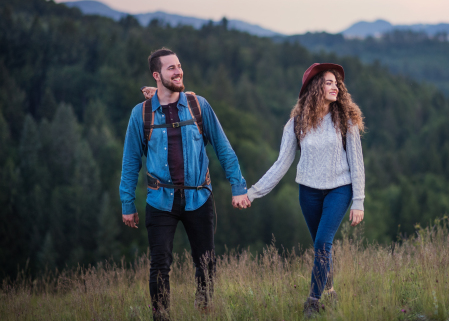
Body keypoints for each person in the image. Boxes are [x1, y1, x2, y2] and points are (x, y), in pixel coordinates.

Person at [119, 48, 251, 319]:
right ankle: (161, 315)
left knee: (206, 263)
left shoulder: (198, 105)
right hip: (160, 200)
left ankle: (203, 311)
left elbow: (223, 148)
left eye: (179, 66)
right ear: (157, 75)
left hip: (199, 197)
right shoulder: (141, 114)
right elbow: (131, 162)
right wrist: (127, 202)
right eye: (171, 68)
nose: (178, 71)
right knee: (159, 266)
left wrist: (238, 187)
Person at [246, 62, 365, 317]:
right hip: (308, 192)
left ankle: (312, 302)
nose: (335, 87)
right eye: (329, 82)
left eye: (336, 83)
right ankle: (330, 290)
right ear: (314, 87)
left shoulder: (345, 120)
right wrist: (253, 192)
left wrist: (358, 201)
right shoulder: (297, 123)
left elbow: (357, 163)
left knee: (323, 243)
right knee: (321, 246)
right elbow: (281, 164)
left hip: (339, 190)